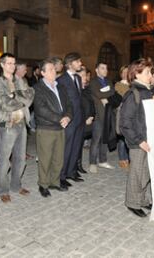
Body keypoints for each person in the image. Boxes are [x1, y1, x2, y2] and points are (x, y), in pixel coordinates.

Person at [0, 53, 34, 203]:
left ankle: (16, 185)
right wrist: (20, 99)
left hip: (22, 123)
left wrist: (13, 96)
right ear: (2, 65)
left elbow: (30, 96)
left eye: (13, 63)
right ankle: (3, 189)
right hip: (7, 125)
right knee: (4, 159)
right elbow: (3, 104)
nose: (12, 66)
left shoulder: (20, 80)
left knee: (20, 158)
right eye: (9, 63)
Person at [119, 58, 154, 218]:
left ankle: (142, 199)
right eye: (147, 72)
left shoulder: (148, 91)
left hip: (148, 139)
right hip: (138, 141)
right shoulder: (132, 93)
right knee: (137, 172)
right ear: (137, 73)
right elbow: (125, 123)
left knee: (146, 172)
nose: (150, 75)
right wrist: (139, 141)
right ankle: (132, 202)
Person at [33, 59, 72, 197]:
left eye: (54, 69)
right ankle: (43, 184)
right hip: (46, 128)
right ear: (42, 73)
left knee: (58, 157)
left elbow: (68, 104)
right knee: (45, 158)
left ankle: (54, 182)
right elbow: (41, 109)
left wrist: (67, 116)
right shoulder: (38, 88)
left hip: (60, 127)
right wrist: (59, 118)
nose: (54, 71)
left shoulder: (60, 86)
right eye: (50, 69)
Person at [57, 52, 85, 187]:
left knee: (76, 146)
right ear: (70, 63)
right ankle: (61, 176)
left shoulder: (78, 79)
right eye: (78, 61)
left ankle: (71, 171)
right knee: (66, 147)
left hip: (79, 117)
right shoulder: (61, 80)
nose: (80, 64)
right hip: (69, 118)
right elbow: (61, 101)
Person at [89, 62, 115, 172]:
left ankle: (103, 161)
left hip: (108, 114)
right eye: (102, 68)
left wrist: (105, 95)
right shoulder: (93, 82)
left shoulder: (109, 81)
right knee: (96, 140)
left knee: (105, 139)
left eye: (106, 68)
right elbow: (98, 94)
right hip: (98, 114)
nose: (105, 70)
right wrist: (104, 94)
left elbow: (113, 92)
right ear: (96, 70)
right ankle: (92, 163)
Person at [77, 66, 94, 174]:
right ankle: (74, 166)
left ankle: (79, 165)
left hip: (87, 120)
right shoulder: (75, 90)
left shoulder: (86, 88)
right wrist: (84, 119)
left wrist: (92, 115)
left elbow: (91, 103)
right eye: (83, 75)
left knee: (80, 145)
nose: (85, 77)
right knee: (76, 145)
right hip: (79, 121)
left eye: (85, 75)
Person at [115, 65, 130, 169]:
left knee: (128, 137)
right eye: (123, 72)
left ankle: (128, 158)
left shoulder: (132, 84)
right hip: (121, 112)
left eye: (127, 72)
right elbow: (122, 96)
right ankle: (122, 159)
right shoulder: (118, 84)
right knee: (121, 137)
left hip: (130, 113)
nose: (125, 74)